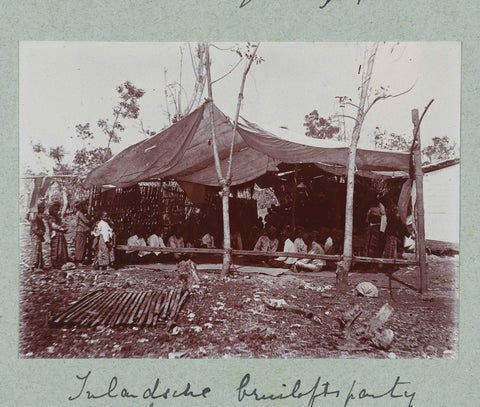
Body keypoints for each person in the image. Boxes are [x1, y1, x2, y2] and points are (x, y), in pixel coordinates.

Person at [48, 202, 69, 269]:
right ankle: (55, 262)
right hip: (55, 234)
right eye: (55, 210)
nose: (56, 211)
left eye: (57, 210)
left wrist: (63, 227)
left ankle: (61, 262)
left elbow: (60, 224)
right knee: (56, 248)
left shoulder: (57, 217)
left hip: (60, 234)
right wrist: (61, 228)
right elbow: (53, 226)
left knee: (61, 248)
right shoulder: (51, 217)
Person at [29, 202, 46, 271]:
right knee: (36, 250)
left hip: (37, 235)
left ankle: (39, 265)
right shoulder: (35, 217)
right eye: (43, 208)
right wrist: (41, 232)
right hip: (36, 236)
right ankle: (35, 265)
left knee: (38, 250)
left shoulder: (37, 216)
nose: (44, 209)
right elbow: (35, 229)